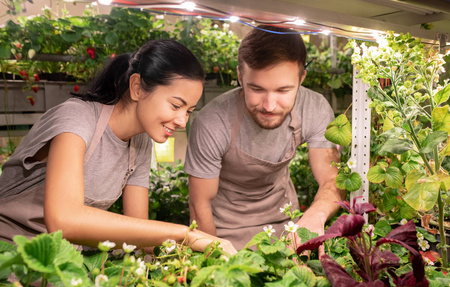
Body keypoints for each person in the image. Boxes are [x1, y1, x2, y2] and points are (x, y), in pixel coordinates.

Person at [0, 39, 237, 255]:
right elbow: (64, 219)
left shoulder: (141, 142)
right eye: (176, 106)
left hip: (64, 259)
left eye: (189, 111)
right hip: (11, 255)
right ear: (137, 87)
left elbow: (140, 238)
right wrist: (183, 234)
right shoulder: (76, 119)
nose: (182, 121)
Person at [184, 25, 344, 250]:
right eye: (257, 89)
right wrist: (215, 258)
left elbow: (332, 178)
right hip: (225, 231)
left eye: (283, 91)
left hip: (286, 224)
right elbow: (199, 204)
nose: (269, 105)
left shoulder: (314, 108)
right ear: (240, 76)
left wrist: (315, 216)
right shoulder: (212, 122)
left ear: (301, 78)